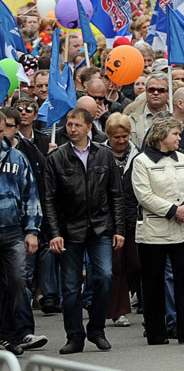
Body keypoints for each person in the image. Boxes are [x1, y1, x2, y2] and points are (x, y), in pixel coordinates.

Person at [43, 107, 128, 355]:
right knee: (70, 288)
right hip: (69, 229)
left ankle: (97, 329)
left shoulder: (104, 154)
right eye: (69, 124)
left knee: (104, 277)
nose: (72, 129)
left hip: (100, 227)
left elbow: (116, 194)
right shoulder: (56, 157)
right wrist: (54, 233)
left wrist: (118, 228)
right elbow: (49, 199)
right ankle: (74, 336)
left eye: (77, 125)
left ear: (89, 127)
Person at [132, 116, 184, 346]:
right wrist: (172, 210)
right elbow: (144, 195)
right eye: (175, 134)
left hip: (181, 228)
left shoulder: (182, 157)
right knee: (153, 282)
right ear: (161, 136)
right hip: (154, 230)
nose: (179, 138)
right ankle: (156, 331)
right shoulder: (142, 161)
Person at [0, 107, 41, 357]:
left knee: (16, 282)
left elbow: (31, 195)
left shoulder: (16, 157)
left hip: (13, 231)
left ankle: (8, 334)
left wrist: (32, 231)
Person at [102, 113, 139, 329]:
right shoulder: (100, 155)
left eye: (125, 136)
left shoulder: (138, 156)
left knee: (134, 264)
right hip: (108, 219)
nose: (122, 141)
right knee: (115, 266)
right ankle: (118, 310)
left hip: (133, 217)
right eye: (117, 137)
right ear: (109, 136)